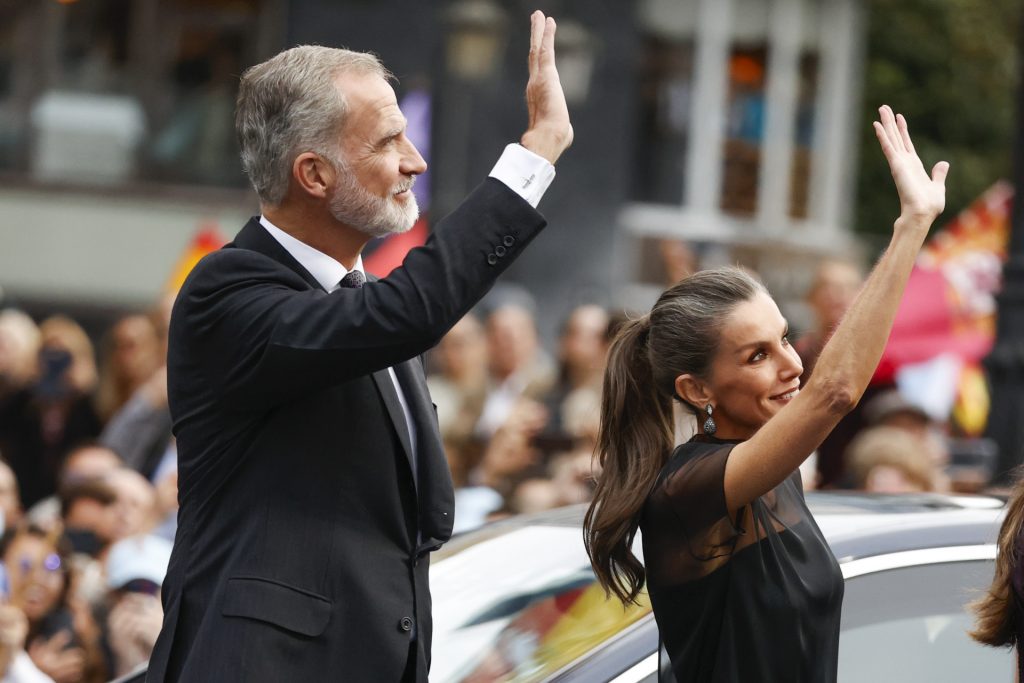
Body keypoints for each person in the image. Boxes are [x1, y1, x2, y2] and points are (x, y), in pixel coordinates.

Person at [148, 11, 572, 683]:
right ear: (314, 174)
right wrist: (535, 153)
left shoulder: (366, 302)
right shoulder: (226, 293)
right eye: (388, 141)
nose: (415, 161)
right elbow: (410, 310)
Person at [583, 106, 947, 682]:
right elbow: (834, 391)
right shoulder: (689, 488)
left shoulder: (778, 472)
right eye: (757, 356)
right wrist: (911, 226)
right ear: (696, 389)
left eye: (784, 338)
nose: (792, 365)